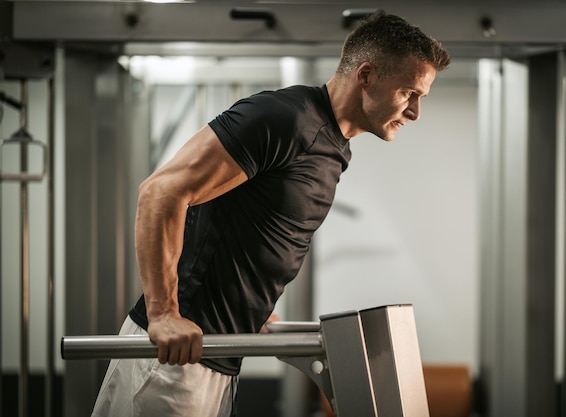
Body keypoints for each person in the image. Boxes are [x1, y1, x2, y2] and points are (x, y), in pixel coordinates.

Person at [91, 10, 451, 417]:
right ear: (366, 75)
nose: (415, 112)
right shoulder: (285, 118)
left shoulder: (335, 146)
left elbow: (251, 228)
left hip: (218, 357)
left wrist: (250, 309)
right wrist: (163, 314)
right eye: (409, 93)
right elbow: (161, 191)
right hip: (175, 357)